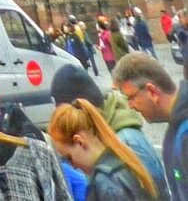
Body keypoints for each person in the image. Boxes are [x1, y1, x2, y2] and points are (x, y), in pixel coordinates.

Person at [52, 64, 168, 201]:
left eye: (69, 157)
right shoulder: (100, 151)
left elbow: (158, 192)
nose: (72, 166)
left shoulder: (126, 140)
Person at [49, 98, 158, 201]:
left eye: (69, 157)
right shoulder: (125, 158)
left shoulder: (106, 182)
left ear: (79, 142)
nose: (72, 165)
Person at [112, 53, 188, 201]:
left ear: (152, 91)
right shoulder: (176, 126)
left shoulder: (185, 134)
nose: (130, 106)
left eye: (131, 97)